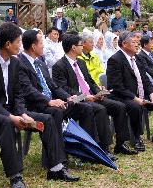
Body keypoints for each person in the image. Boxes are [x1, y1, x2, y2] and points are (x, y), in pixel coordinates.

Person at [0, 23, 72, 188]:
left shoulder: (15, 63)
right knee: (5, 122)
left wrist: (21, 113)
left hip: (9, 110)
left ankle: (56, 168)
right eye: (18, 41)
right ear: (8, 44)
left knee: (48, 118)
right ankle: (15, 175)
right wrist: (11, 117)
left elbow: (18, 94)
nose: (21, 45)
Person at [18, 29, 99, 165]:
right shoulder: (20, 64)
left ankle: (87, 151)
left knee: (84, 108)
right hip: (34, 105)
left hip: (52, 102)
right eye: (42, 43)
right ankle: (57, 159)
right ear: (33, 46)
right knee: (56, 112)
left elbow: (53, 86)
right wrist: (49, 101)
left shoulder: (39, 62)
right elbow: (28, 91)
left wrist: (68, 97)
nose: (44, 45)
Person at [52, 33, 136, 156]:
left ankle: (120, 143)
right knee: (100, 109)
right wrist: (84, 97)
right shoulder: (59, 66)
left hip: (92, 97)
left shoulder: (80, 62)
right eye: (81, 45)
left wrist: (99, 92)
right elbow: (64, 89)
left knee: (119, 106)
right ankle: (104, 147)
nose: (83, 48)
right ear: (73, 47)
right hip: (78, 100)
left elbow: (90, 82)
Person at [106, 31, 153, 147]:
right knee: (135, 106)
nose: (137, 44)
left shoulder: (137, 58)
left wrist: (152, 93)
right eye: (133, 42)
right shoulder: (115, 60)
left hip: (140, 94)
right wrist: (134, 98)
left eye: (137, 42)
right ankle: (136, 137)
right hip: (122, 96)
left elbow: (145, 78)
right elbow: (116, 86)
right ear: (124, 44)